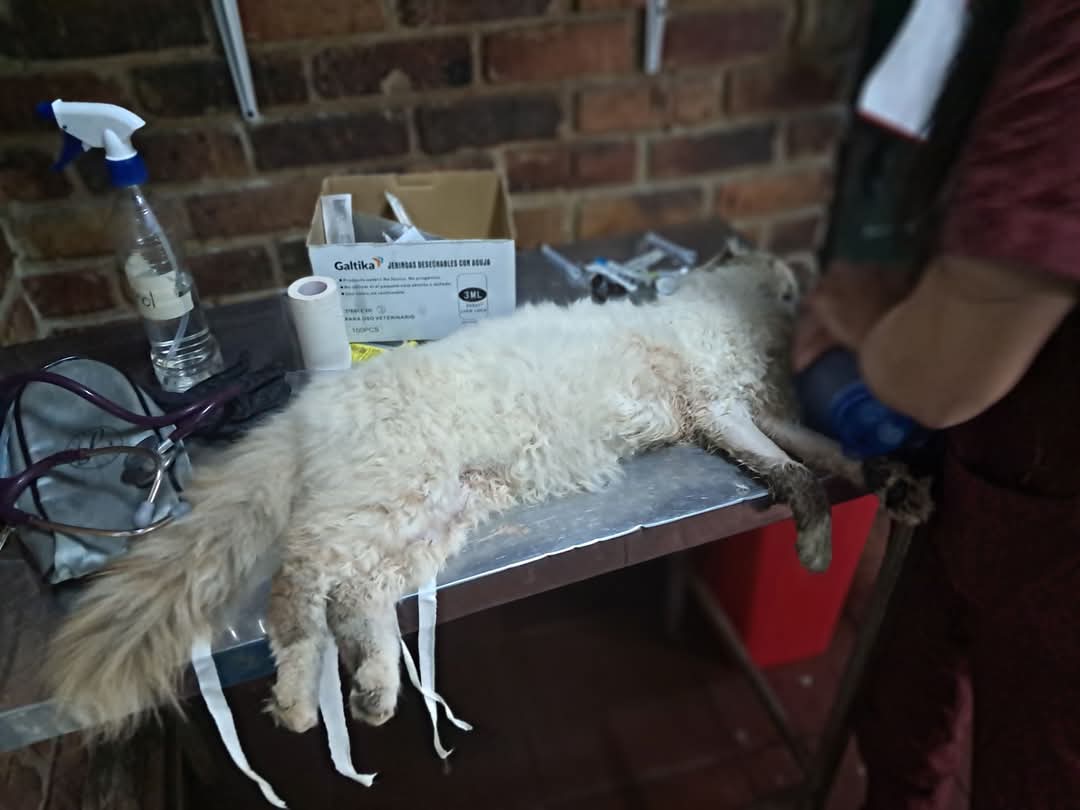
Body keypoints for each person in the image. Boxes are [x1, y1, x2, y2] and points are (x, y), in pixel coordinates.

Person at [791, 2, 1080, 808]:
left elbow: (943, 377)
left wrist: (866, 320)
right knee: (902, 691)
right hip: (988, 462)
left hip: (1052, 530)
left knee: (1037, 777)